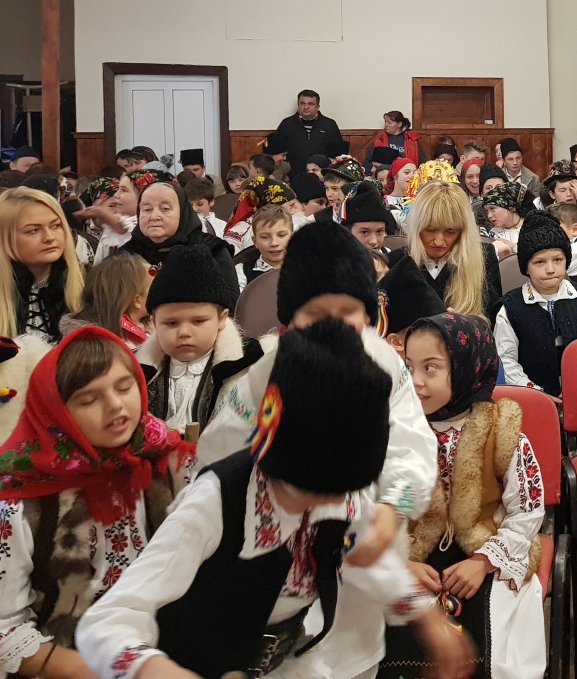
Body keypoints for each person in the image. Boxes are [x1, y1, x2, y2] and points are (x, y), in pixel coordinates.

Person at [79, 319, 472, 679]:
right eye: (311, 487)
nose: (327, 502)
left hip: (284, 662)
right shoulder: (216, 501)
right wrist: (154, 670)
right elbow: (109, 620)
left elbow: (363, 557)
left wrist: (425, 617)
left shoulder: (342, 494)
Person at [197, 221, 438, 678]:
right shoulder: (266, 374)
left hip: (359, 548)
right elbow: (219, 458)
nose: (333, 325)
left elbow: (410, 446)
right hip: (274, 566)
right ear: (290, 318)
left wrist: (392, 508)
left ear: (368, 313)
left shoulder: (383, 363)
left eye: (347, 311)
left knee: (352, 660)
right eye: (315, 313)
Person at [0, 327, 194, 676]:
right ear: (55, 413)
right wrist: (104, 670)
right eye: (88, 399)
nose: (115, 405)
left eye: (124, 387)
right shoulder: (21, 495)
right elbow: (4, 630)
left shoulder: (161, 458)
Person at [386, 310, 546, 679]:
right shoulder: (399, 431)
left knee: (498, 641)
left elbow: (527, 509)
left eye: (431, 368)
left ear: (465, 368)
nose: (416, 381)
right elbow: (383, 507)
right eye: (409, 367)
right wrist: (400, 560)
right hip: (414, 550)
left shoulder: (501, 431)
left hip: (484, 545)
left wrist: (485, 561)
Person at [138, 244, 262, 433]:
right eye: (171, 323)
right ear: (154, 322)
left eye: (198, 321)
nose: (184, 332)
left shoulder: (248, 367)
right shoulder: (135, 370)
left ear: (222, 318)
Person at [496, 212, 577, 395]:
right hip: (530, 394)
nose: (550, 269)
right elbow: (506, 360)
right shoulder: (512, 307)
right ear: (526, 267)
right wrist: (535, 392)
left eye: (558, 260)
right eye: (539, 262)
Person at [388, 179, 502, 322]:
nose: (439, 241)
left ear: (463, 231)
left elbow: (492, 320)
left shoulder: (484, 257)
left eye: (450, 231)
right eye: (430, 230)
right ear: (416, 226)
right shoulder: (395, 262)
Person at [0, 188, 84, 342]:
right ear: (5, 238)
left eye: (55, 226)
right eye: (33, 230)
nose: (49, 237)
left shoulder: (90, 285)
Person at [60, 250, 152, 345]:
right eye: (153, 287)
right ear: (137, 301)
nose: (158, 292)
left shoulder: (153, 326)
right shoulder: (96, 344)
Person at [267, 89, 345, 171]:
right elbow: (276, 150)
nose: (306, 107)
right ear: (298, 105)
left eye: (310, 104)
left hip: (321, 173)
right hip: (292, 173)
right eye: (302, 103)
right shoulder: (287, 124)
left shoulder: (329, 125)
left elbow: (337, 153)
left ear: (318, 107)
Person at [222, 174, 296, 253]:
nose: (293, 211)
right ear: (272, 204)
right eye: (291, 206)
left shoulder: (293, 225)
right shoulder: (239, 233)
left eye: (281, 235)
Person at [235, 204, 295, 289]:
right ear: (255, 241)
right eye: (265, 237)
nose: (274, 243)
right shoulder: (242, 271)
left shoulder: (306, 267)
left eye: (281, 235)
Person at [342, 181, 400, 256]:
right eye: (364, 232)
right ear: (348, 232)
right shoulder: (336, 261)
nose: (373, 241)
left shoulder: (391, 258)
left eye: (379, 231)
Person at [482, 181, 534, 257]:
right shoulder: (494, 233)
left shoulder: (532, 228)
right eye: (487, 211)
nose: (489, 215)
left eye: (493, 209)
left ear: (512, 207)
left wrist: (512, 246)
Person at [385, 156, 418, 225]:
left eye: (414, 173)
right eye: (407, 172)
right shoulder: (384, 201)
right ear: (395, 175)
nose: (412, 176)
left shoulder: (418, 200)